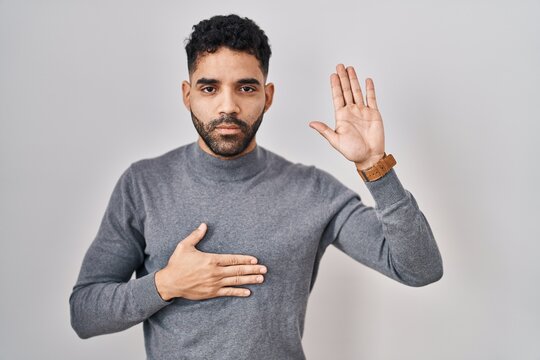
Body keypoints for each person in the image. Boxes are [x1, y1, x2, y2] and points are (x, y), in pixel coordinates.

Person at [69, 14, 443, 360]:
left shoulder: (312, 190)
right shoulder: (144, 184)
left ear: (268, 96)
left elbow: (419, 269)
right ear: (188, 95)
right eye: (209, 88)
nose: (227, 106)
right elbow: (85, 313)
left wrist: (373, 166)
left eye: (246, 88)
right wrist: (166, 283)